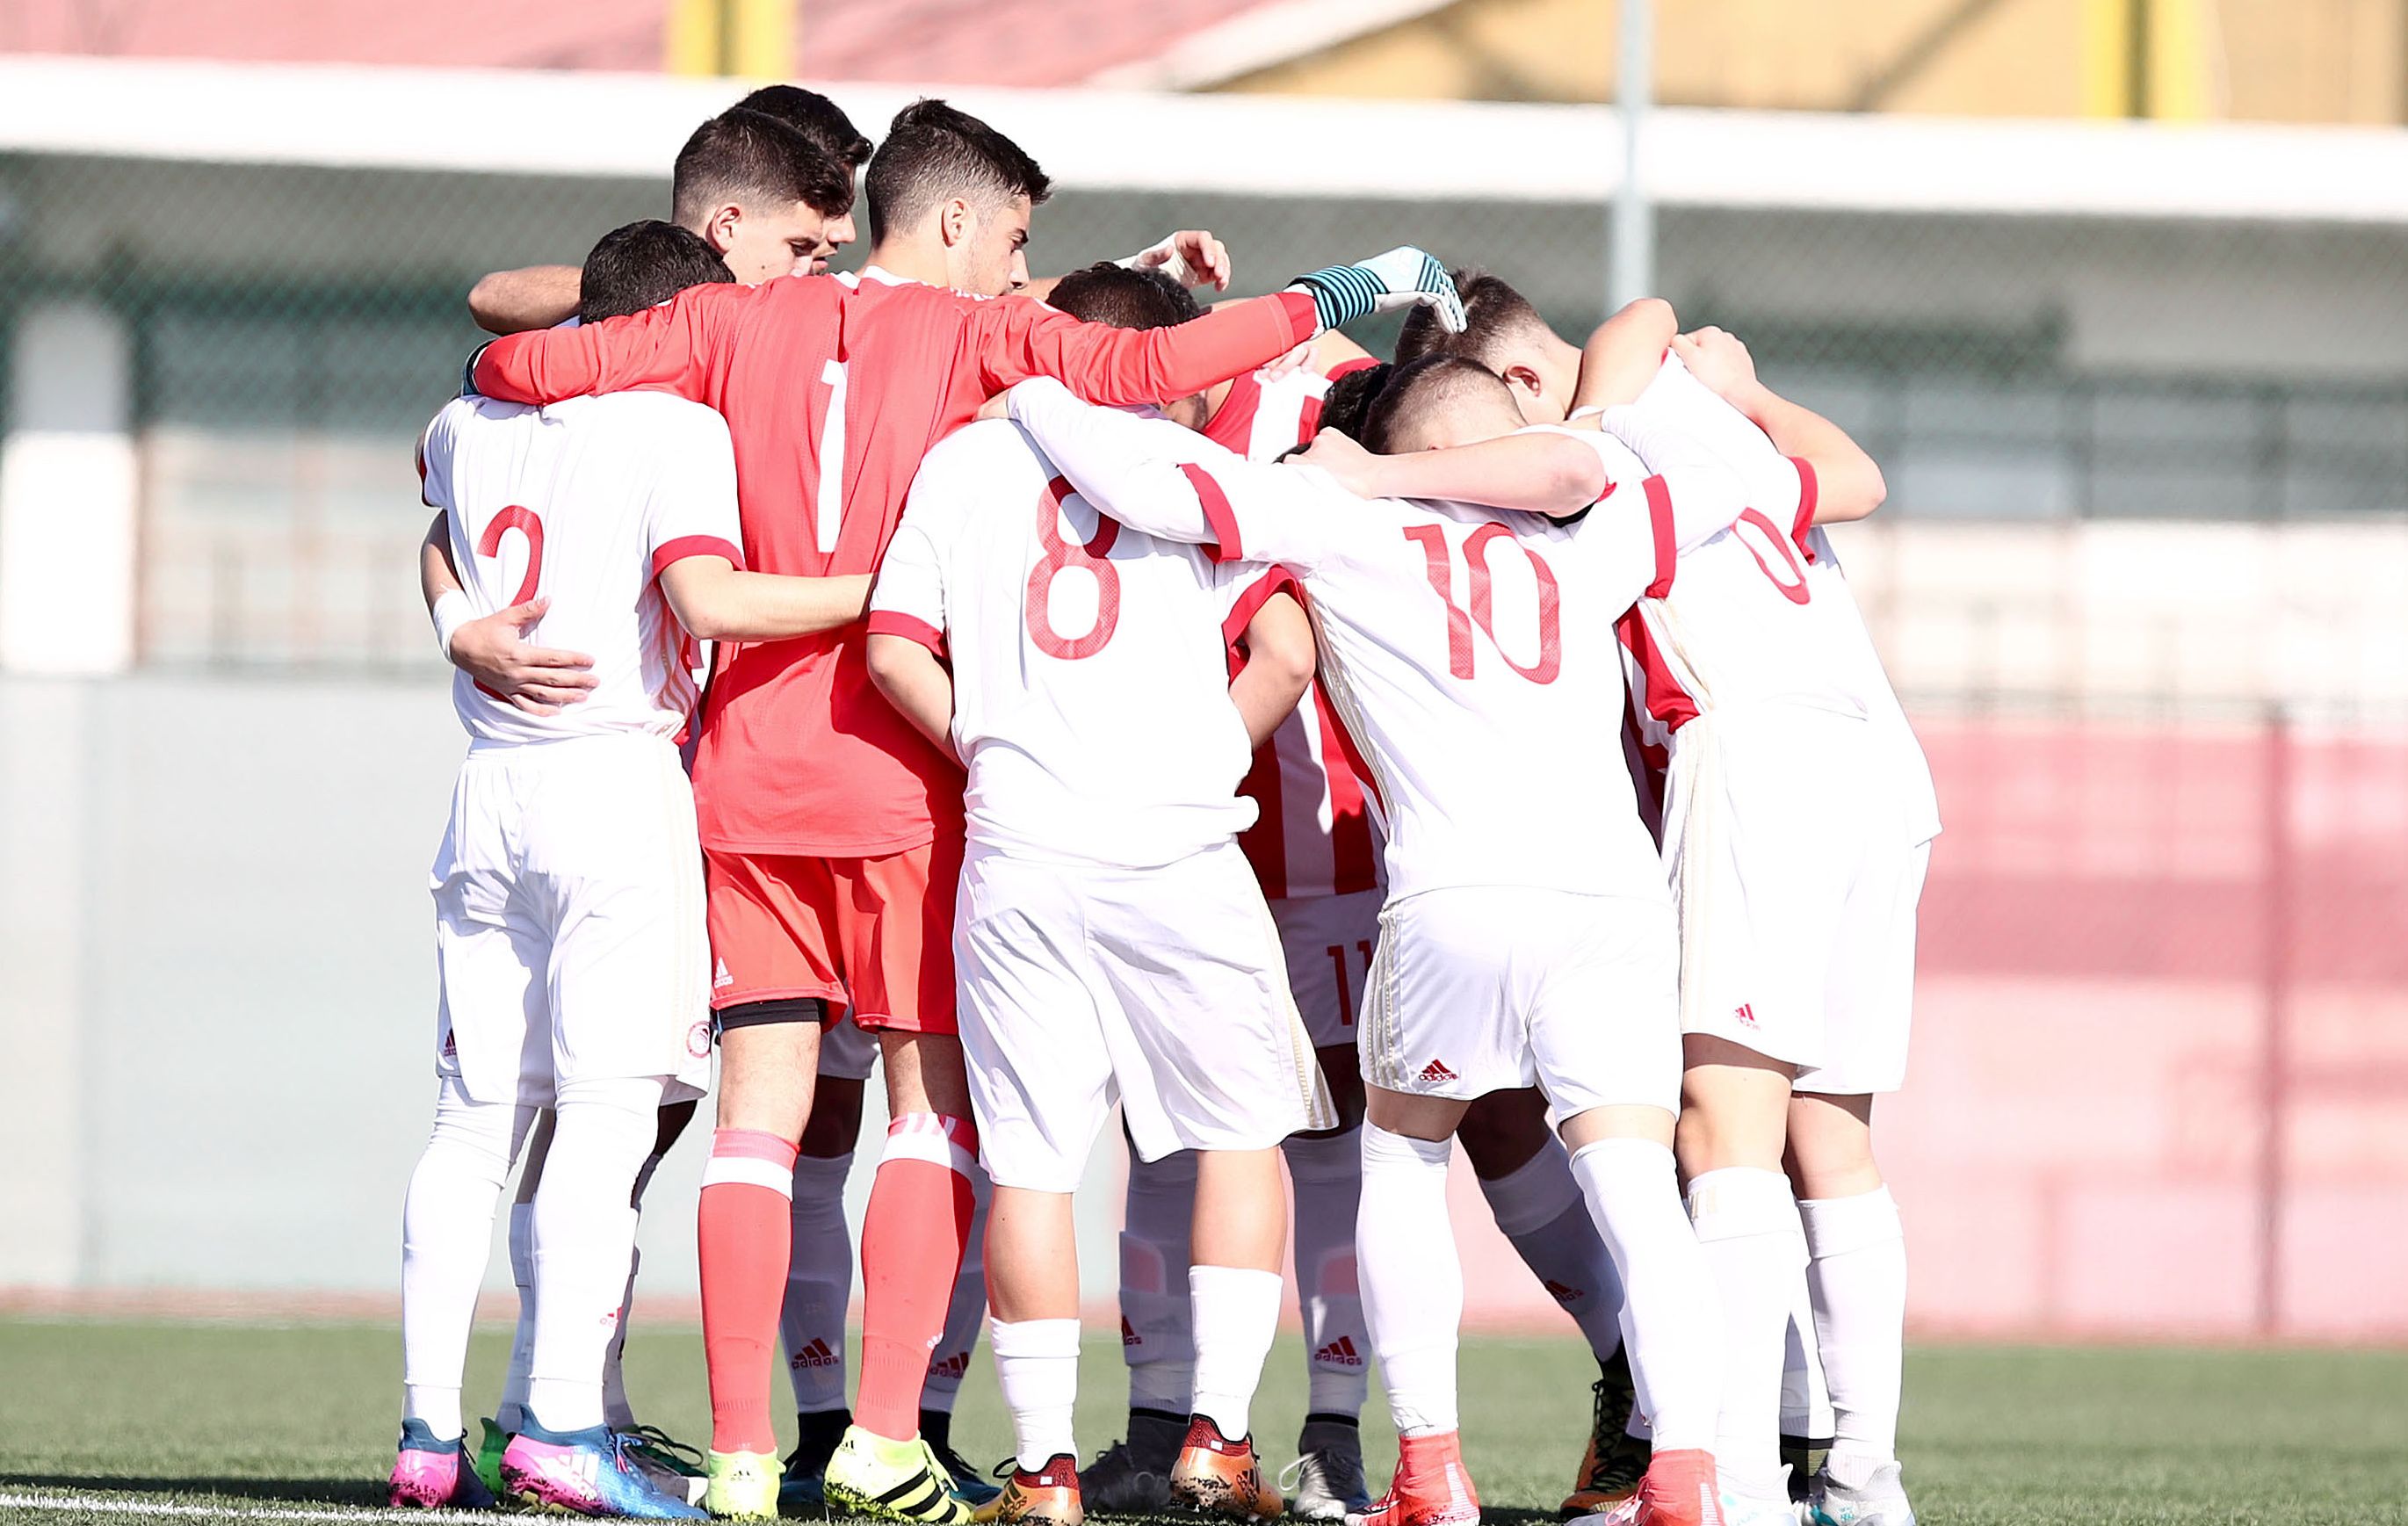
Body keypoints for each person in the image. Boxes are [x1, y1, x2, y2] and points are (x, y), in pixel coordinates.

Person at [466, 92, 1464, 1522]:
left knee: (756, 1116)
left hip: (740, 765)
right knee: (930, 1115)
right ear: (951, 222)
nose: (1013, 267)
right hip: (909, 780)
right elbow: (1171, 361)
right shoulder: (985, 344)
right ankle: (887, 1435)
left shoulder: (730, 318)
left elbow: (513, 358)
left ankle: (745, 1455)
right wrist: (1358, 283)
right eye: (1009, 237)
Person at [994, 357, 1843, 1526]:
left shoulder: (1344, 523)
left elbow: (1155, 487)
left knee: (1402, 1158)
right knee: (1641, 1187)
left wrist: (1035, 394)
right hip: (1606, 901)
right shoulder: (1591, 533)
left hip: (1452, 896)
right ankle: (1685, 1475)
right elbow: (1735, 470)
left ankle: (1427, 1472)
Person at [1042, 271, 1645, 1524]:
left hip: (1337, 836)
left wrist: (1340, 361)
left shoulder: (1322, 409)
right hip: (1216, 839)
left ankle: (1354, 1429)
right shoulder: (1164, 398)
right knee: (1188, 1119)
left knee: (1402, 1131)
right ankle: (1172, 1425)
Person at [1402, 278, 1929, 1526]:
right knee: (1831, 1138)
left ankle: (1737, 1480)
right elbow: (1853, 475)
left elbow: (1630, 318)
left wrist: (1571, 426)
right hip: (1878, 765)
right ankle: (1863, 1478)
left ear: (1522, 390)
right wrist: (1744, 393)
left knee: (1718, 1124)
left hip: (1760, 752)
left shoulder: (1603, 443)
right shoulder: (1716, 430)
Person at [394, 220, 871, 1518]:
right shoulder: (674, 429)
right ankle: (558, 1427)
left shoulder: (469, 416)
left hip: (486, 792)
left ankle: (429, 1436)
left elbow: (437, 527)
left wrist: (458, 624)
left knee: (470, 1122)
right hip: (613, 788)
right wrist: (886, 587)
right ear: (679, 326)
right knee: (606, 1124)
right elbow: (711, 606)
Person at [859, 287, 1343, 1526]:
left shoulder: (961, 461)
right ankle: (1218, 1440)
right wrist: (1196, 761)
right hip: (1174, 849)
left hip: (1018, 847)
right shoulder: (1186, 465)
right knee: (1239, 1133)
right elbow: (1284, 651)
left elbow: (890, 643)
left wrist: (986, 741)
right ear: (1156, 371)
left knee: (1030, 1161)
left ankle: (1041, 1469)